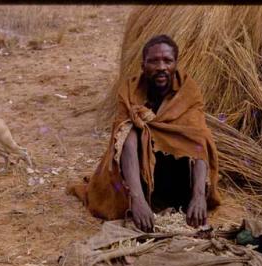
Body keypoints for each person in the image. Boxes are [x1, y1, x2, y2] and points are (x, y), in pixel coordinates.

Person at [69, 34, 221, 232]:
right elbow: (121, 138)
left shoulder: (188, 91)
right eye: (153, 61)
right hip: (139, 181)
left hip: (178, 179)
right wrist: (137, 200)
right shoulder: (130, 90)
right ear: (143, 65)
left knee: (197, 134)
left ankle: (184, 200)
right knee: (128, 132)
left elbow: (200, 141)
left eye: (167, 61)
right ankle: (140, 203)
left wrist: (199, 196)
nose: (161, 67)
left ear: (176, 64)